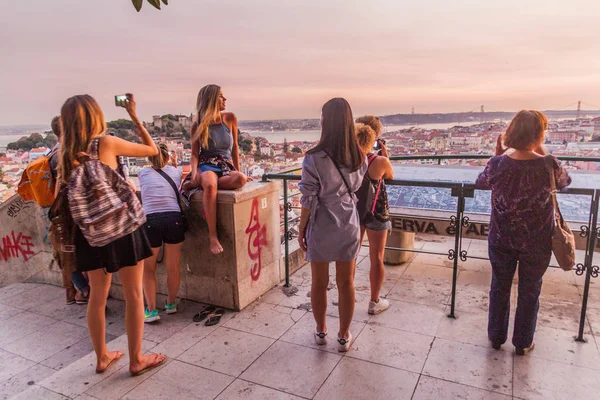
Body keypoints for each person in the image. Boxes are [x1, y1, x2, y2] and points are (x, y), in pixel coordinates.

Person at [57, 94, 166, 375]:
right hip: (121, 227)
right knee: (133, 293)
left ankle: (102, 357)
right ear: (96, 116)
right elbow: (152, 150)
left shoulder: (65, 154)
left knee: (97, 296)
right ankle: (136, 359)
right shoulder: (105, 143)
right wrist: (132, 114)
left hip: (88, 234)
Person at [475, 110, 571, 356]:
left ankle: (496, 337)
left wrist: (497, 155)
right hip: (537, 241)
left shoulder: (497, 164)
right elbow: (564, 181)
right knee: (530, 290)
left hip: (501, 238)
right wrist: (543, 150)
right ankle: (523, 342)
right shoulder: (549, 164)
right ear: (539, 135)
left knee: (499, 287)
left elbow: (481, 182)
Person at [298, 98, 367, 352]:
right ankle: (343, 335)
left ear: (325, 122)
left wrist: (301, 228)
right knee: (346, 283)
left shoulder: (313, 158)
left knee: (319, 282)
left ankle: (320, 331)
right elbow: (356, 187)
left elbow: (308, 198)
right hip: (349, 222)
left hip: (322, 222)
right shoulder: (360, 156)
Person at [182, 84, 247, 254]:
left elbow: (234, 149)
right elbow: (195, 153)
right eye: (221, 96)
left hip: (225, 165)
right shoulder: (198, 125)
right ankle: (213, 236)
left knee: (241, 179)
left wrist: (238, 170)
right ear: (211, 100)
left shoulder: (230, 118)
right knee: (211, 185)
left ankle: (198, 183)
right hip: (206, 164)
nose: (225, 99)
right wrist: (195, 170)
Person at [139, 143, 184, 322]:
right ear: (168, 158)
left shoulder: (142, 173)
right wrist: (173, 161)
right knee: (173, 267)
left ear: (149, 158)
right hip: (174, 217)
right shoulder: (176, 172)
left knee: (148, 269)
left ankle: (151, 311)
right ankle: (171, 304)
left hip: (151, 220)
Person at [48, 115, 90, 305]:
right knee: (73, 256)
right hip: (71, 213)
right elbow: (61, 186)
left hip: (65, 212)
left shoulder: (56, 152)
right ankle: (84, 290)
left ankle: (79, 293)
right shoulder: (63, 155)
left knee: (70, 255)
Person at [355, 120, 394, 314]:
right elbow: (390, 176)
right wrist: (384, 153)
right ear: (373, 139)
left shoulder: (349, 161)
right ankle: (374, 301)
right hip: (376, 212)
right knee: (376, 256)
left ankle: (348, 292)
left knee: (352, 255)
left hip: (354, 211)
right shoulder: (379, 161)